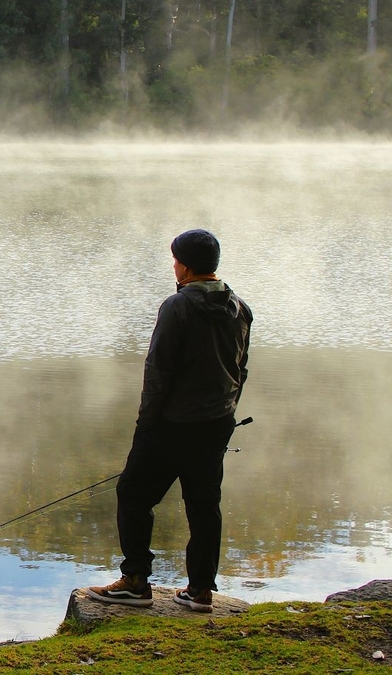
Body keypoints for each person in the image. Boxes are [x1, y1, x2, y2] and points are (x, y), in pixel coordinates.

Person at [85, 228, 253, 613]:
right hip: (216, 425)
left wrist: (146, 425)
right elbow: (240, 370)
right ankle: (200, 592)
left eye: (175, 259)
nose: (173, 266)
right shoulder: (240, 308)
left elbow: (158, 371)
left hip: (172, 425)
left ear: (186, 266)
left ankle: (136, 581)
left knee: (132, 494)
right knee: (204, 505)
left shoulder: (177, 307)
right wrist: (225, 414)